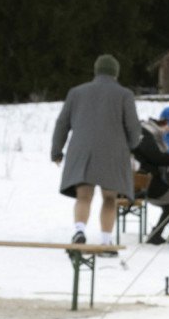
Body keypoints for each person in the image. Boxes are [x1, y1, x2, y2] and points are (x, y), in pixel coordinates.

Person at [53, 54, 143, 243]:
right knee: (109, 198)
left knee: (84, 195)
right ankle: (105, 240)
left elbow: (62, 123)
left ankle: (79, 230)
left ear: (96, 71)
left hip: (82, 151)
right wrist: (133, 145)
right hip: (113, 153)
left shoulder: (76, 92)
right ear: (115, 73)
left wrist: (56, 151)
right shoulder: (124, 94)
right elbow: (133, 126)